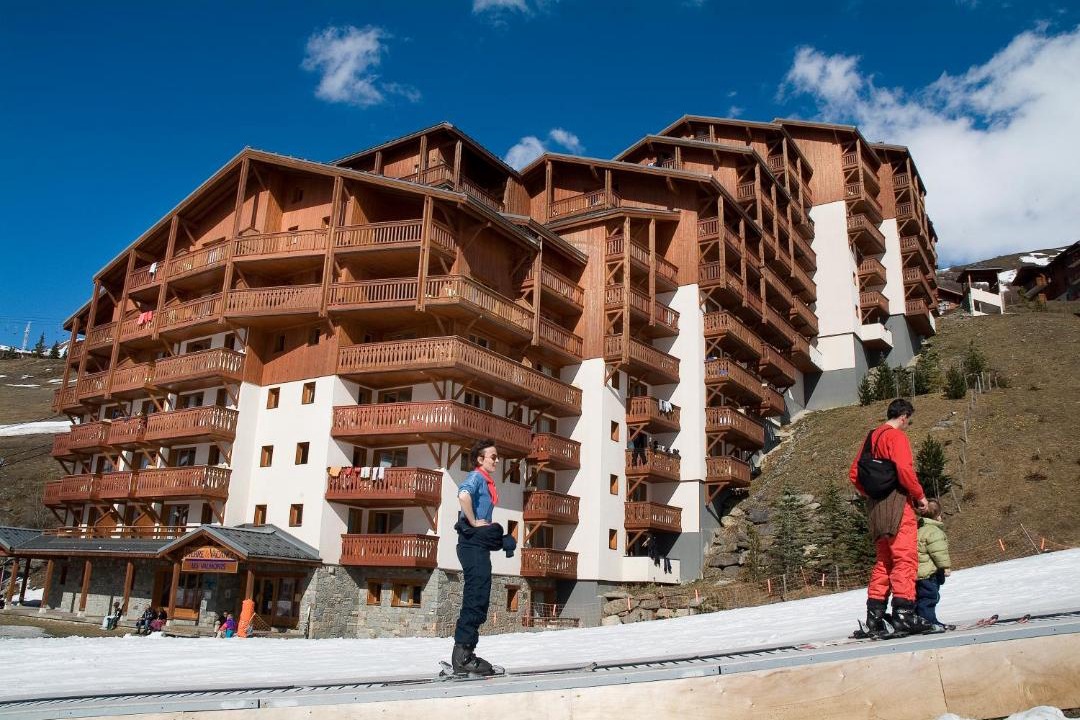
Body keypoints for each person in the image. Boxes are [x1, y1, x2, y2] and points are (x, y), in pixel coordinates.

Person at [849, 398, 932, 636]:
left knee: (884, 561)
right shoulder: (896, 437)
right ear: (904, 416)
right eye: (909, 420)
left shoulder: (871, 437)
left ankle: (874, 617)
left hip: (875, 508)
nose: (908, 424)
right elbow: (905, 470)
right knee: (905, 558)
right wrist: (920, 496)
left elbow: (854, 473)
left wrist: (873, 493)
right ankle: (904, 614)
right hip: (898, 504)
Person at [450, 439, 515, 676]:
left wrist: (499, 540)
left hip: (477, 546)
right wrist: (473, 521)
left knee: (480, 596)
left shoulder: (487, 481)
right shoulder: (477, 477)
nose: (497, 460)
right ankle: (462, 656)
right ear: (480, 459)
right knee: (475, 596)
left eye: (497, 457)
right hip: (471, 545)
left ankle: (467, 652)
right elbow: (463, 495)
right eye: (493, 457)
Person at [916, 499, 952, 632]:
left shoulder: (917, 530)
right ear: (938, 516)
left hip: (917, 573)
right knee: (930, 597)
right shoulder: (934, 531)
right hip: (929, 573)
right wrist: (945, 567)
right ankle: (929, 622)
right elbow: (939, 552)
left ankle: (918, 620)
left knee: (919, 598)